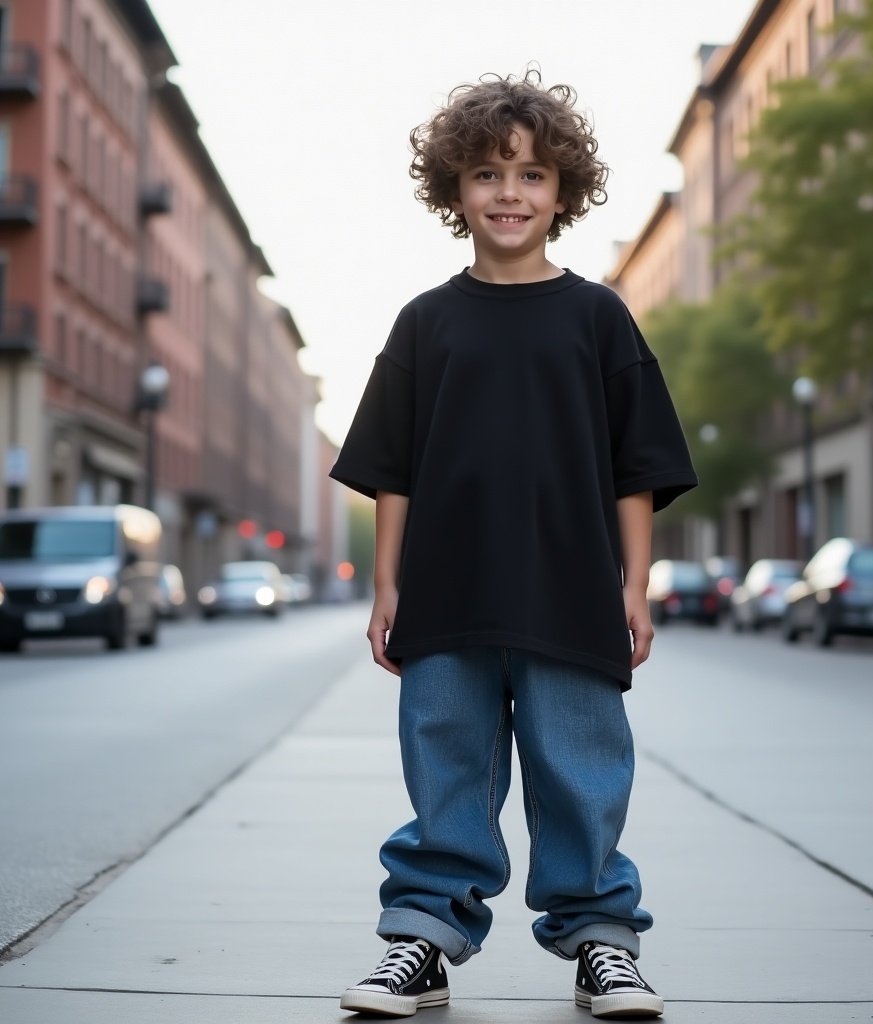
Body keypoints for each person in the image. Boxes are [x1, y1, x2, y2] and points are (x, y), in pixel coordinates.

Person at [330, 71, 697, 1020]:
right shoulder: (426, 321)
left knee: (580, 768)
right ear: (455, 189)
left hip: (570, 588)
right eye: (489, 174)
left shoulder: (598, 316)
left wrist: (636, 586)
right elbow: (393, 468)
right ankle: (423, 937)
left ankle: (603, 946)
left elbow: (637, 465)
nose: (509, 193)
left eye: (532, 176)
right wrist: (387, 585)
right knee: (444, 757)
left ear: (564, 193)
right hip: (447, 589)